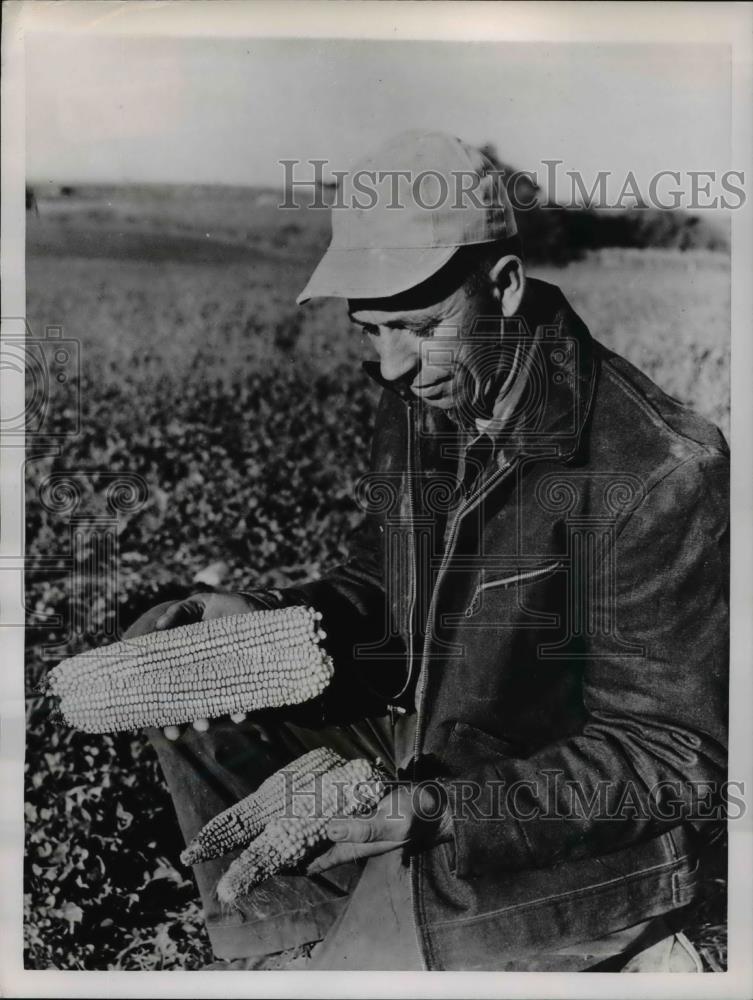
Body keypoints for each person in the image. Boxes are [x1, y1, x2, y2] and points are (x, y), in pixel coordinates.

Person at [126, 131, 728, 971]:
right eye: (368, 330)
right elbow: (389, 584)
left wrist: (436, 808)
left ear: (505, 286)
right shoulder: (425, 394)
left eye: (416, 326)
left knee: (367, 964)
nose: (390, 365)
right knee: (175, 647)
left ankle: (625, 949)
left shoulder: (657, 469)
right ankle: (296, 934)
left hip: (542, 826)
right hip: (423, 752)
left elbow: (668, 759)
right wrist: (269, 621)